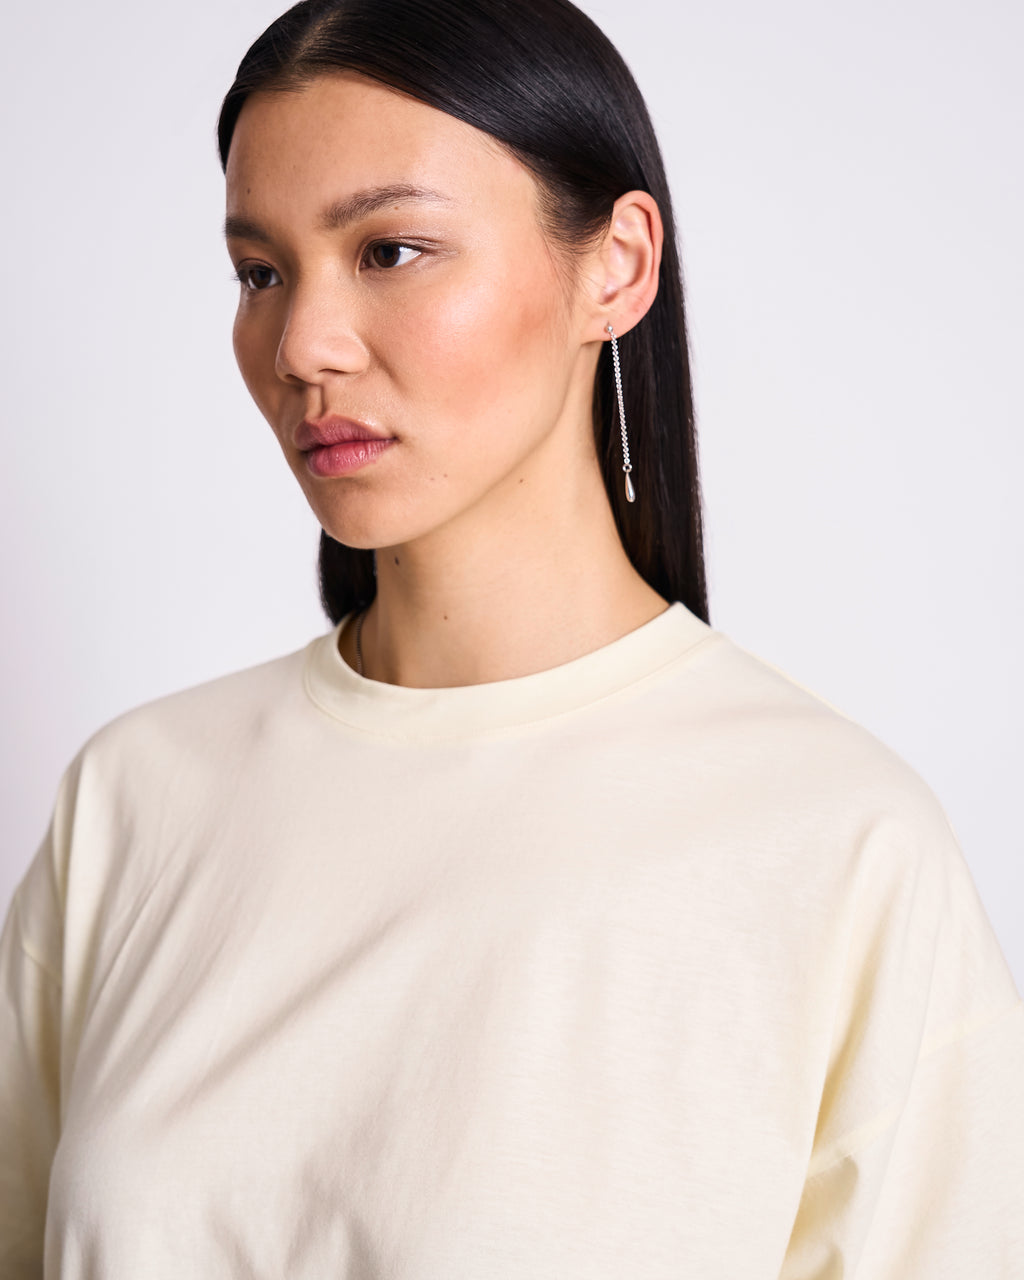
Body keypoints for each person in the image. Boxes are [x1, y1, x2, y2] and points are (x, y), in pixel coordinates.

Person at [1, 0, 1021, 1273]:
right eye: (261, 272)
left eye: (392, 249)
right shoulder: (136, 798)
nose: (302, 347)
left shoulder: (837, 847)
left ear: (616, 267)